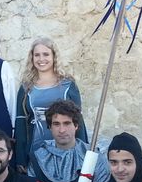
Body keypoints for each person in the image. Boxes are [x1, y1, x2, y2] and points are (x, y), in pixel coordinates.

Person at [14, 37, 88, 170]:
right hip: (36, 148)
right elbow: (20, 124)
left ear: (54, 56)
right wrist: (20, 157)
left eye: (46, 54)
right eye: (37, 55)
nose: (41, 59)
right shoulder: (26, 88)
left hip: (67, 149)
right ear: (32, 58)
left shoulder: (68, 84)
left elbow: (78, 121)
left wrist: (83, 153)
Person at [28, 100, 109, 182]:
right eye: (56, 124)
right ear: (50, 127)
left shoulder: (94, 157)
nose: (62, 130)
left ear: (76, 126)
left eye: (67, 123)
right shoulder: (38, 159)